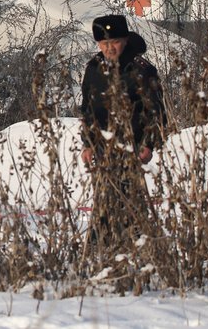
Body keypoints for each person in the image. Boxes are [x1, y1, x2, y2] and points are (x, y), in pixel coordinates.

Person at [80, 14, 166, 248]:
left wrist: (148, 143)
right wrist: (87, 143)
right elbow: (87, 109)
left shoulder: (141, 70)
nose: (110, 48)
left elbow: (155, 111)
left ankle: (136, 247)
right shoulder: (93, 69)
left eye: (114, 42)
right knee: (104, 198)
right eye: (104, 44)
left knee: (129, 200)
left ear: (125, 41)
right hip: (102, 146)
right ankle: (101, 250)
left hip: (131, 146)